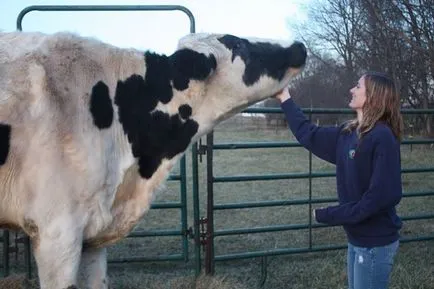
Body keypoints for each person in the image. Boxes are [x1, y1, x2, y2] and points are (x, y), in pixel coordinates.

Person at [274, 72, 403, 289]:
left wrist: (330, 214)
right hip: (357, 238)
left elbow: (380, 197)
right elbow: (309, 134)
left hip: (375, 243)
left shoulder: (382, 137)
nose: (352, 90)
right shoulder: (348, 133)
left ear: (373, 96)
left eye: (358, 86)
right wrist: (284, 97)